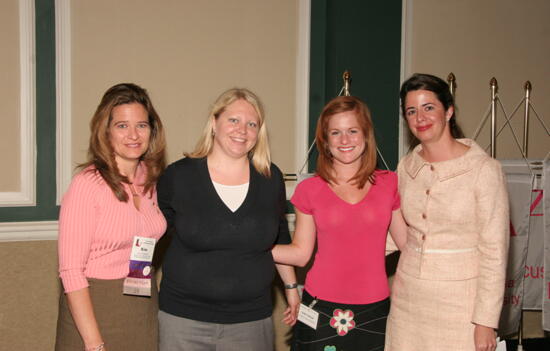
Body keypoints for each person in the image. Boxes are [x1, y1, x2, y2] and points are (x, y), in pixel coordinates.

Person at [156, 88, 299, 350]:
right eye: (233, 120)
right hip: (183, 320)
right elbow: (152, 230)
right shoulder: (178, 177)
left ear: (259, 133)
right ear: (214, 123)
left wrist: (291, 286)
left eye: (251, 124)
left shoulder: (271, 178)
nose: (242, 130)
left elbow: (279, 234)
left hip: (251, 321)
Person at [385, 73, 509, 351]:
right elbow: (396, 234)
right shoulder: (406, 167)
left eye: (429, 107)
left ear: (449, 111)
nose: (420, 118)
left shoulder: (484, 170)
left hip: (461, 306)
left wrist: (485, 322)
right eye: (411, 111)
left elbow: (495, 252)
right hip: (408, 303)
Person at [272, 96, 408, 351]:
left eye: (352, 131)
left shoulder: (389, 183)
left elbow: (407, 245)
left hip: (375, 309)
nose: (345, 140)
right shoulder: (309, 189)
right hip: (319, 307)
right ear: (325, 140)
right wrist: (246, 246)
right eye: (336, 132)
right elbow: (301, 255)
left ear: (366, 135)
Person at [55, 83, 167, 351]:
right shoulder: (87, 185)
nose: (133, 135)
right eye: (122, 125)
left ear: (152, 130)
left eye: (141, 125)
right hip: (95, 309)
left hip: (142, 304)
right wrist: (94, 343)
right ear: (105, 131)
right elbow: (71, 272)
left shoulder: (150, 179)